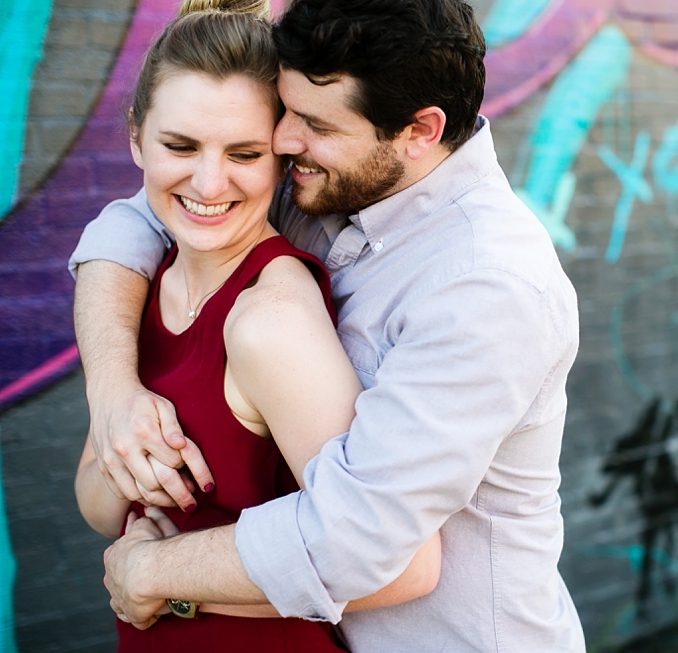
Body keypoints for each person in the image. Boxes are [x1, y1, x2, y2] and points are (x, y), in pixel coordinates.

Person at [70, 0, 586, 650]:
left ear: (419, 131)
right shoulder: (327, 179)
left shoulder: (487, 284)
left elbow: (360, 536)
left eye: (312, 123)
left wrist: (152, 571)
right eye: (285, 111)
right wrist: (112, 388)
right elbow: (133, 222)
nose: (284, 140)